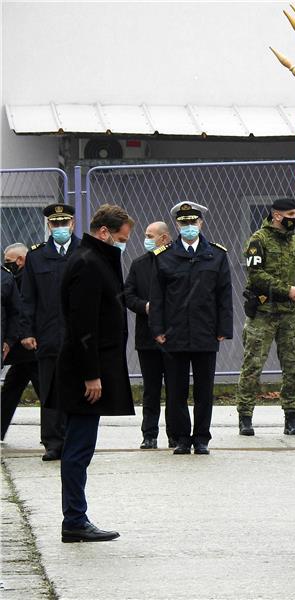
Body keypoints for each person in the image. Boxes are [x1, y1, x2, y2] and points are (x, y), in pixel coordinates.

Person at [56, 204, 135, 543]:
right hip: (83, 373)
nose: (123, 244)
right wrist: (91, 374)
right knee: (78, 449)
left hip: (89, 369)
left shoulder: (96, 258)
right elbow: (82, 325)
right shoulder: (88, 264)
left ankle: (76, 517)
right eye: (121, 238)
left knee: (81, 447)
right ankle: (74, 519)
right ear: (104, 232)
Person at [149, 202, 233, 455]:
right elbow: (158, 297)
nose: (188, 227)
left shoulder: (216, 255)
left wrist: (223, 328)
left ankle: (201, 438)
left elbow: (224, 295)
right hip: (174, 333)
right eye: (183, 223)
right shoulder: (164, 256)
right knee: (176, 390)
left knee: (204, 390)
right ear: (176, 225)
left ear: (201, 224)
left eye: (192, 223)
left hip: (205, 332)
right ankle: (182, 438)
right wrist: (157, 329)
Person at [235, 197, 295, 437]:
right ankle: (245, 417)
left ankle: (291, 417)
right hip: (263, 315)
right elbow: (255, 275)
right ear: (277, 215)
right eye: (292, 214)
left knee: (291, 368)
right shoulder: (257, 240)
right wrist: (286, 289)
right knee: (252, 366)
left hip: (289, 317)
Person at [19, 203, 79, 461]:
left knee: (78, 390)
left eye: (64, 223)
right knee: (50, 391)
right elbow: (28, 297)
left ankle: (76, 440)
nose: (60, 228)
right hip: (48, 334)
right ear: (48, 226)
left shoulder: (85, 251)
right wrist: (26, 331)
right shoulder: (37, 256)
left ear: (72, 224)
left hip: (79, 337)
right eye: (55, 224)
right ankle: (53, 442)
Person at [123, 221, 173, 449]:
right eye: (146, 235)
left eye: (150, 235)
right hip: (147, 337)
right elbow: (128, 295)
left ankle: (177, 434)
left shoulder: (176, 260)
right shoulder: (139, 264)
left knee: (175, 389)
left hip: (174, 337)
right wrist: (146, 306)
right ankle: (149, 434)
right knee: (151, 389)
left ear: (164, 238)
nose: (146, 239)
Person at [1, 243, 40, 440]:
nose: (6, 265)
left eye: (8, 261)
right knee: (11, 388)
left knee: (43, 390)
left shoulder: (27, 278)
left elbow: (23, 310)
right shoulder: (16, 277)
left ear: (20, 260)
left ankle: (56, 432)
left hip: (29, 346)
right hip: (23, 350)